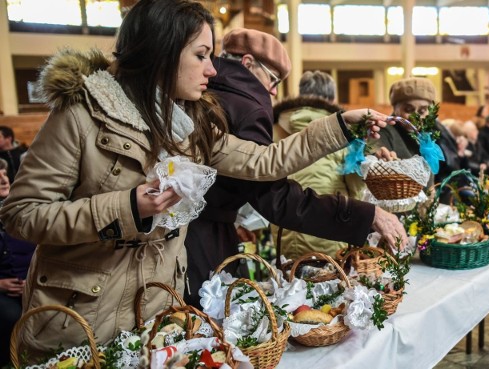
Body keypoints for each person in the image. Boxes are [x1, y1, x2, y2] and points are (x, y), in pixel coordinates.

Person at [0, 0, 396, 352]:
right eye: (201, 55)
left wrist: (341, 126)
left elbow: (264, 162)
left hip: (157, 314)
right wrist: (127, 207)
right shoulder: (81, 114)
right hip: (83, 316)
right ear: (163, 52)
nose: (212, 69)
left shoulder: (190, 122)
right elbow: (21, 213)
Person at [184, 29, 405, 307]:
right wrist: (367, 214)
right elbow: (273, 188)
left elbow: (237, 173)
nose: (274, 90)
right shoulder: (247, 105)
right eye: (273, 79)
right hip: (203, 242)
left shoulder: (210, 96)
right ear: (248, 64)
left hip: (200, 234)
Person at [270, 70, 367, 259]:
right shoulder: (342, 131)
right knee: (332, 282)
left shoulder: (274, 127)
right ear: (331, 98)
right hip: (331, 227)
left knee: (292, 282)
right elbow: (355, 188)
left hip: (285, 229)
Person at [377, 78, 468, 186]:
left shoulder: (433, 131)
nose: (416, 117)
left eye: (422, 111)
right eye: (408, 110)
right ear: (395, 108)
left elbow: (450, 168)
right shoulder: (383, 131)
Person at [0, 159, 36, 367]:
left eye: (4, 173)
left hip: (31, 283)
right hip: (4, 290)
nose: (3, 179)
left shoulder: (23, 209)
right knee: (12, 316)